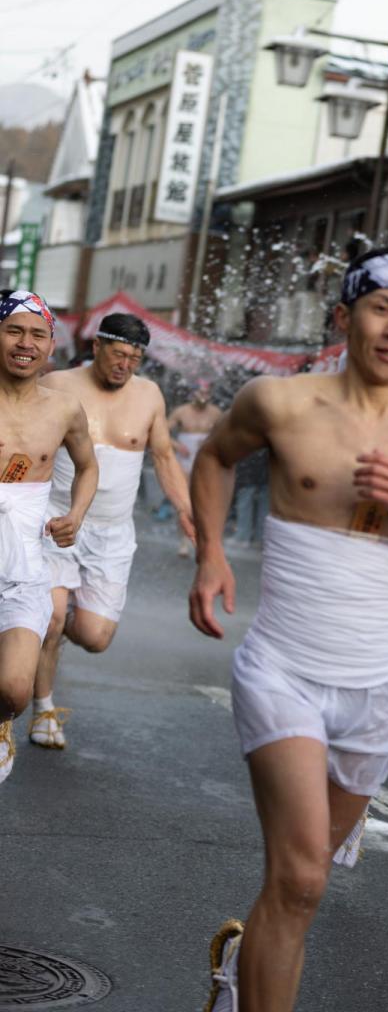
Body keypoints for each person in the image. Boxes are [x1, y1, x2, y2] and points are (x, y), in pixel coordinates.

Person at [189, 244, 388, 1012]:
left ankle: (243, 962)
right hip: (283, 673)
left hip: (379, 692)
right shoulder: (281, 403)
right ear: (345, 317)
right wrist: (210, 553)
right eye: (379, 309)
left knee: (300, 886)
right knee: (300, 876)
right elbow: (214, 458)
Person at [29, 313, 194, 750]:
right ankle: (43, 709)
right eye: (119, 353)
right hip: (55, 518)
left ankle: (50, 620)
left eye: (135, 358)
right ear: (98, 346)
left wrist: (185, 509)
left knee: (96, 637)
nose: (126, 364)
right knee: (49, 620)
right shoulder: (58, 384)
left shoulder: (150, 396)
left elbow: (162, 458)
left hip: (112, 532)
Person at [0, 290, 97, 783]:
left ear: (50, 345)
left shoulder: (63, 409)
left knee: (14, 691)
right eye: (14, 330)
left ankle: (3, 724)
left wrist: (76, 515)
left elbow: (87, 467)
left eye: (37, 334)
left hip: (21, 573)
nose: (25, 343)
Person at [168, 380, 222, 555]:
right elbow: (162, 432)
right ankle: (183, 540)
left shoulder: (215, 413)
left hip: (205, 459)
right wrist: (176, 445)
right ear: (192, 394)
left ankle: (206, 541)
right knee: (185, 501)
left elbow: (226, 436)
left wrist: (210, 442)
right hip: (185, 458)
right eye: (200, 393)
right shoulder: (181, 411)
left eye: (206, 393)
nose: (203, 397)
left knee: (205, 502)